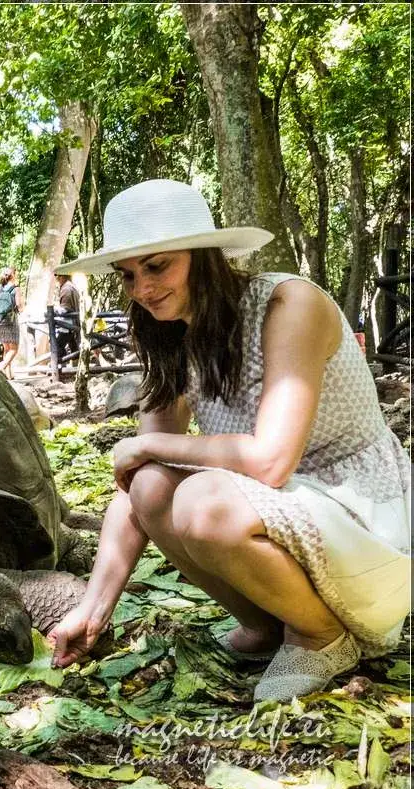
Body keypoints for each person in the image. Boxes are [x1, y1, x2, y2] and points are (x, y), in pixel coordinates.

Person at [45, 179, 411, 702]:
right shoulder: (170, 333)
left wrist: (151, 447)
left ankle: (321, 635)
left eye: (157, 266)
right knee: (150, 487)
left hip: (363, 525)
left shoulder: (289, 303)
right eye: (128, 276)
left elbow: (269, 460)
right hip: (287, 516)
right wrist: (93, 610)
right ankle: (267, 626)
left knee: (201, 500)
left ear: (203, 256)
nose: (142, 290)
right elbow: (136, 486)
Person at [0, 267, 22, 378]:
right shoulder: (16, 288)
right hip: (10, 320)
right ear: (13, 275)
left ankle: (9, 376)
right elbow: (19, 305)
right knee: (14, 349)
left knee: (6, 348)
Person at [53, 272, 80, 357]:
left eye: (57, 276)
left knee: (57, 347)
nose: (57, 279)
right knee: (73, 346)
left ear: (62, 276)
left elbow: (65, 309)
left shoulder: (66, 288)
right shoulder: (71, 286)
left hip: (68, 324)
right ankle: (75, 364)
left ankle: (59, 366)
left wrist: (53, 310)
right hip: (73, 323)